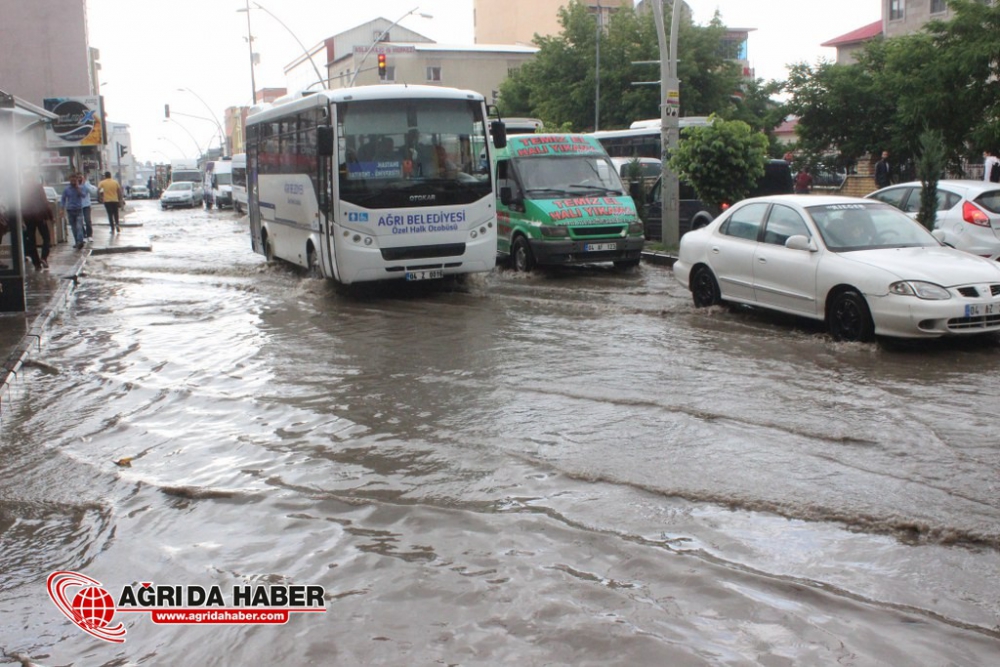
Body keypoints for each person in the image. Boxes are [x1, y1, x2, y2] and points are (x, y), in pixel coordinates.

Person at [19, 180, 54, 270]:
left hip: (28, 218)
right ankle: (44, 257)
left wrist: (22, 219)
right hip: (40, 217)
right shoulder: (38, 187)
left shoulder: (22, 188)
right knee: (46, 237)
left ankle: (36, 264)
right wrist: (51, 217)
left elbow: (20, 204)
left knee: (31, 241)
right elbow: (44, 202)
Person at [61, 174, 88, 250]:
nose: (73, 181)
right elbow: (63, 199)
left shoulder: (81, 187)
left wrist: (77, 188)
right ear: (70, 180)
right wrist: (62, 209)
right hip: (70, 210)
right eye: (71, 180)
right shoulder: (67, 189)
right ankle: (77, 242)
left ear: (77, 180)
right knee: (73, 228)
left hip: (78, 209)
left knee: (79, 227)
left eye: (74, 180)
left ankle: (80, 241)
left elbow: (83, 195)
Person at [79, 173, 98, 243]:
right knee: (80, 221)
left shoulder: (86, 184)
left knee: (87, 220)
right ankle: (83, 235)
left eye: (81, 178)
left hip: (86, 205)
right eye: (78, 178)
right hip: (78, 206)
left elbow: (93, 192)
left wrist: (85, 184)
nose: (80, 179)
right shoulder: (75, 185)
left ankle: (89, 235)